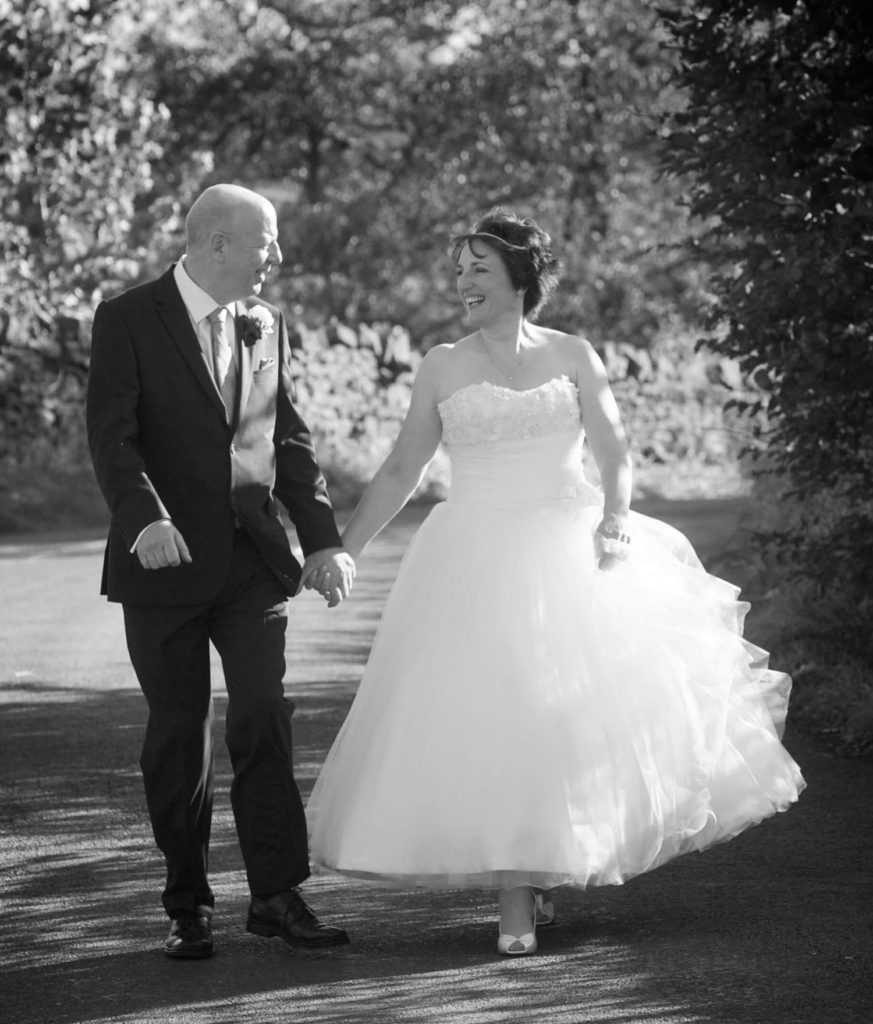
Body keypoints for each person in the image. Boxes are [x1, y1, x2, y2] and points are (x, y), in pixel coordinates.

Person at [306, 209, 805, 956]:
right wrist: (340, 548)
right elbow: (403, 468)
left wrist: (616, 518)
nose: (461, 281)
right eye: (459, 269)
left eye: (478, 268)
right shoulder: (442, 363)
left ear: (519, 279)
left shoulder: (573, 353)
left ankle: (536, 871)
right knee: (494, 710)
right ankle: (514, 888)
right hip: (470, 549)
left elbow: (613, 450)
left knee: (559, 715)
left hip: (567, 545)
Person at [86, 184, 354, 959]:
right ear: (218, 245)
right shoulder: (127, 317)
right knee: (180, 736)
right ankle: (187, 903)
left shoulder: (266, 323)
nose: (277, 257)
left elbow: (288, 440)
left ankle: (275, 894)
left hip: (250, 561)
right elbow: (112, 435)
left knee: (263, 717)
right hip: (162, 561)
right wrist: (145, 520)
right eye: (266, 242)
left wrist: (324, 541)